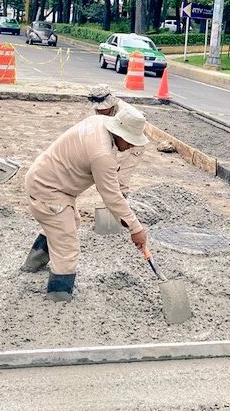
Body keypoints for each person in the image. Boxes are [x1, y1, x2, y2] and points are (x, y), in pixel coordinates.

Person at [20, 104, 150, 301]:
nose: (132, 146)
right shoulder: (102, 155)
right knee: (67, 246)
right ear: (120, 133)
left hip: (46, 177)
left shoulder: (98, 122)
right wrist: (135, 228)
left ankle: (33, 264)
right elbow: (112, 196)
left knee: (68, 222)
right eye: (131, 141)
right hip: (49, 190)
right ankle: (59, 296)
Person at [86, 84, 144, 197]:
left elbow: (124, 146)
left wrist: (111, 164)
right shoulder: (96, 110)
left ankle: (122, 204)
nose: (100, 110)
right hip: (114, 140)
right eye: (97, 108)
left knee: (120, 179)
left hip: (131, 144)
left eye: (103, 109)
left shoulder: (125, 112)